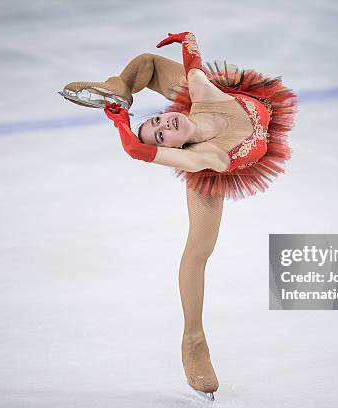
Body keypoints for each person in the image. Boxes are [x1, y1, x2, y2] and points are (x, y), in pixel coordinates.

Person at [60, 31, 297, 400]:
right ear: (174, 147)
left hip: (231, 105)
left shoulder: (200, 96)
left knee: (148, 64)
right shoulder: (208, 157)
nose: (163, 125)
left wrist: (187, 39)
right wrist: (122, 125)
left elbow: (193, 60)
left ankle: (118, 86)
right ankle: (194, 341)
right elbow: (137, 151)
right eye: (159, 135)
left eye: (157, 120)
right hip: (217, 165)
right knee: (198, 251)